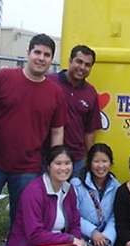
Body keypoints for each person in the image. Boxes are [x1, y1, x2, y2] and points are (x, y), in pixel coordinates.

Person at [0, 33, 68, 246]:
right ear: (28, 53)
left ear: (52, 59)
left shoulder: (55, 92)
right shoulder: (3, 78)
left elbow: (57, 131)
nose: (41, 58)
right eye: (37, 52)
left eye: (46, 55)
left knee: (21, 222)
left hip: (28, 168)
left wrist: (56, 165)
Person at [2, 145, 88, 246]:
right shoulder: (34, 192)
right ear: (48, 166)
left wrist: (75, 241)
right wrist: (70, 239)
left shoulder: (68, 189)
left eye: (67, 163)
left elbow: (75, 223)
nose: (63, 168)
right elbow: (35, 235)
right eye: (58, 163)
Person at [47, 45, 102, 177]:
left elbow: (89, 132)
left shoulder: (90, 92)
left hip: (76, 159)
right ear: (70, 61)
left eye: (87, 65)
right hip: (47, 155)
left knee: (74, 197)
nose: (82, 67)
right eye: (79, 61)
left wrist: (91, 161)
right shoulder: (49, 82)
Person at [70, 143, 121, 246]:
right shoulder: (76, 184)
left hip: (105, 240)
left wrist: (106, 237)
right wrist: (93, 233)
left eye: (105, 161)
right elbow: (74, 215)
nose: (100, 166)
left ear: (111, 163)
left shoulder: (116, 187)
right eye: (96, 161)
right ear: (89, 163)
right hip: (82, 237)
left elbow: (115, 216)